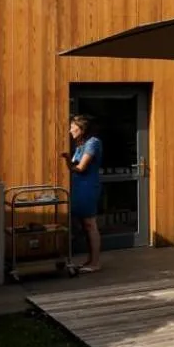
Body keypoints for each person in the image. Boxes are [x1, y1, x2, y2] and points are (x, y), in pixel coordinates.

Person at [63, 115, 103, 273]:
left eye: (72, 127)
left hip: (88, 187)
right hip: (79, 187)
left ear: (82, 128)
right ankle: (90, 260)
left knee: (90, 224)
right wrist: (69, 161)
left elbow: (80, 168)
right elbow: (74, 167)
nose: (70, 130)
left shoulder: (93, 143)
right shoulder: (81, 145)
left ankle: (95, 262)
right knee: (85, 225)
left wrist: (67, 160)